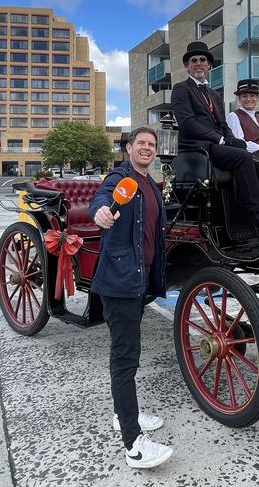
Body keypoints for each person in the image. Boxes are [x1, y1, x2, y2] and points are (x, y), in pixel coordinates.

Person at [88, 126, 173, 469]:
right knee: (124, 359)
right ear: (127, 148)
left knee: (130, 355)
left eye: (152, 145)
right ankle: (133, 444)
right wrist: (101, 213)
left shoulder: (151, 185)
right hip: (119, 283)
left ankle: (124, 413)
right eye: (141, 143)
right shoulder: (120, 179)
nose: (147, 148)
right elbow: (102, 201)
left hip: (138, 282)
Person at [170, 41, 259, 235]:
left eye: (203, 60)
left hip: (217, 145)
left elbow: (223, 125)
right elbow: (187, 123)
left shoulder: (214, 94)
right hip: (198, 147)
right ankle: (257, 216)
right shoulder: (181, 89)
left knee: (258, 161)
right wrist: (221, 140)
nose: (198, 63)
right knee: (244, 157)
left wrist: (232, 139)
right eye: (193, 60)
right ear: (188, 66)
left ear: (209, 65)